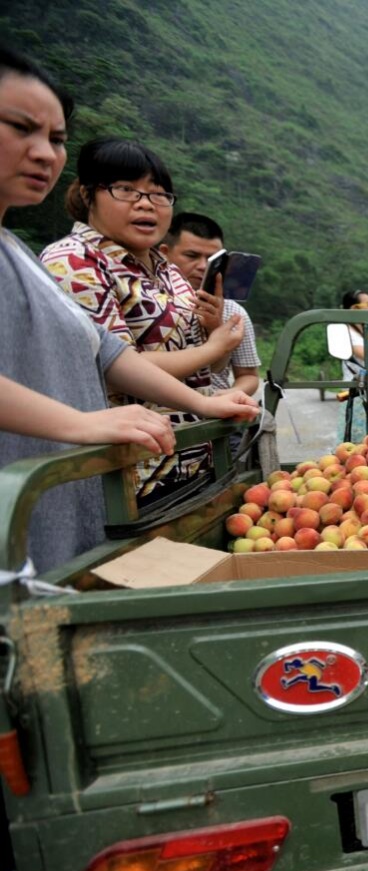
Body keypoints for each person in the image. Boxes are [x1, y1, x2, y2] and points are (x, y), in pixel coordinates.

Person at [0, 46, 257, 575]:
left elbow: (108, 351)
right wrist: (81, 423)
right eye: (22, 129)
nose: (44, 152)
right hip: (111, 469)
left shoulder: (18, 253)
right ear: (89, 195)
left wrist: (204, 401)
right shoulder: (70, 259)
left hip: (156, 460)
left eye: (55, 139)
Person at [40, 138, 246, 506]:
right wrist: (213, 350)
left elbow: (202, 367)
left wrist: (216, 337)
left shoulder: (169, 271)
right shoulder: (74, 262)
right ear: (89, 195)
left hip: (194, 457)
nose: (146, 203)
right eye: (125, 190)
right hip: (130, 474)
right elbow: (115, 364)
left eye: (159, 194)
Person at [159, 211, 262, 396]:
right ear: (164, 253)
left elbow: (249, 376)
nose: (202, 266)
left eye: (212, 260)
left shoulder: (233, 311)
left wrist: (230, 394)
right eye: (192, 256)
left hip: (215, 410)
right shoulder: (150, 305)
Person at [332, 289, 368, 441]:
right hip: (356, 394)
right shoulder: (345, 332)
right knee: (355, 439)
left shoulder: (366, 331)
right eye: (367, 305)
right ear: (354, 309)